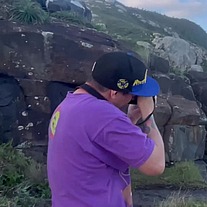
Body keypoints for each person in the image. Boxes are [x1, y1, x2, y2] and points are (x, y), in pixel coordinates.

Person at [47, 51, 165, 207]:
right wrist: (149, 116)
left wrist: (130, 120)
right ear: (114, 92)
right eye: (132, 94)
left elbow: (100, 144)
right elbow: (155, 165)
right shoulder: (104, 116)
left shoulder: (69, 104)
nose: (132, 99)